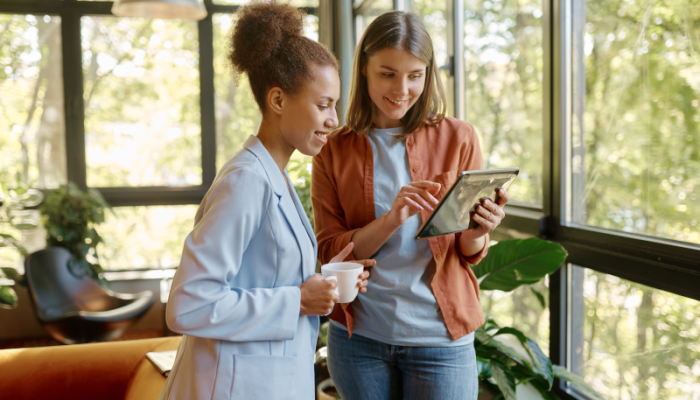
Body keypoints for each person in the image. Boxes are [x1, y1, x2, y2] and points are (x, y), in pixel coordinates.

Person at [159, 2, 373, 399]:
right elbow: (187, 306)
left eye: (335, 105)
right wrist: (297, 300)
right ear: (278, 100)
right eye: (323, 104)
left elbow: (265, 276)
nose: (334, 119)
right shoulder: (246, 181)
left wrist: (321, 283)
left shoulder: (274, 178)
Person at [311, 11, 511, 400]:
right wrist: (391, 219)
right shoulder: (333, 148)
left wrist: (477, 232)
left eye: (415, 75)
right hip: (359, 341)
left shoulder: (460, 138)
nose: (401, 88)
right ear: (364, 69)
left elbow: (467, 254)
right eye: (387, 73)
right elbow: (330, 251)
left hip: (440, 341)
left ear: (428, 74)